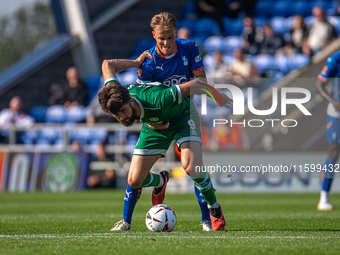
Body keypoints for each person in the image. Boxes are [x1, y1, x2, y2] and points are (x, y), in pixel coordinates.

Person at [99, 56, 232, 231]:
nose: (122, 118)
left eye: (123, 112)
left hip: (182, 117)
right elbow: (107, 64)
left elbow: (195, 85)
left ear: (131, 100)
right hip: (154, 125)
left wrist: (217, 95)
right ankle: (152, 190)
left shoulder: (159, 98)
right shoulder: (114, 93)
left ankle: (212, 211)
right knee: (134, 179)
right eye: (117, 116)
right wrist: (136, 63)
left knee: (191, 167)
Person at [135, 12, 214, 231]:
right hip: (157, 122)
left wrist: (174, 96)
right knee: (135, 176)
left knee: (193, 167)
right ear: (154, 36)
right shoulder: (148, 62)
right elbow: (143, 97)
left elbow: (203, 82)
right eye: (162, 39)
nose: (167, 42)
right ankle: (129, 216)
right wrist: (153, 121)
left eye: (170, 37)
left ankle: (207, 218)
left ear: (175, 34)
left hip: (184, 114)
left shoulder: (189, 47)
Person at [315, 51, 340, 211]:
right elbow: (319, 85)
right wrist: (334, 101)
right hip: (337, 111)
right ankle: (324, 196)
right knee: (334, 151)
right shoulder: (335, 59)